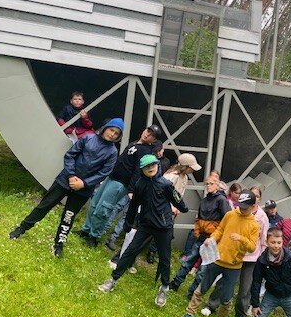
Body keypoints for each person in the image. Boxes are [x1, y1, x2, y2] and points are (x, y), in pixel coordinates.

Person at [8, 118, 124, 257]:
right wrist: (71, 175)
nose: (112, 134)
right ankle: (21, 228)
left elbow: (104, 173)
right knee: (44, 205)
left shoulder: (112, 152)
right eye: (111, 130)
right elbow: (70, 155)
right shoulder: (88, 138)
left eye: (116, 133)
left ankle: (59, 244)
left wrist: (84, 183)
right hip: (64, 180)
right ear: (106, 128)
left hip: (83, 190)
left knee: (69, 216)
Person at [97, 154, 189, 307]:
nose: (150, 168)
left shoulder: (165, 184)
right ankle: (112, 280)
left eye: (153, 165)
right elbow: (133, 206)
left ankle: (164, 288)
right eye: (147, 167)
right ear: (142, 170)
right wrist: (128, 223)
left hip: (164, 227)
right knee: (130, 251)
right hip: (145, 225)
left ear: (157, 165)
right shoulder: (140, 184)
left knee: (165, 259)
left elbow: (179, 202)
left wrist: (180, 206)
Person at [178, 190, 259, 317]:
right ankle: (188, 315)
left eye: (245, 207)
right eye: (240, 206)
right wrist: (212, 238)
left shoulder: (254, 225)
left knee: (226, 299)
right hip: (217, 260)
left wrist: (241, 239)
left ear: (253, 206)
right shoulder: (230, 215)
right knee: (202, 288)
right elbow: (220, 230)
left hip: (234, 266)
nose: (242, 209)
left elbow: (252, 247)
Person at [78, 125, 161, 246]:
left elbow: (138, 171)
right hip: (111, 177)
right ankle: (86, 230)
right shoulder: (135, 143)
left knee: (103, 209)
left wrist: (131, 189)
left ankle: (94, 236)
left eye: (152, 135)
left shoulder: (146, 151)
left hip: (120, 183)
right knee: (95, 203)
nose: (148, 134)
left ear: (154, 140)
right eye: (148, 131)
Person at [169, 172, 230, 291]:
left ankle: (193, 291)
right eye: (207, 184)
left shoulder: (222, 200)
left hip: (212, 240)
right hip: (201, 236)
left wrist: (215, 237)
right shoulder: (204, 200)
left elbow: (226, 220)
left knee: (203, 268)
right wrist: (197, 231)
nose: (208, 186)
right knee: (188, 261)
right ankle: (176, 283)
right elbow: (198, 218)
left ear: (217, 185)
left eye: (211, 184)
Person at [145, 153, 201, 264]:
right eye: (191, 167)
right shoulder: (171, 176)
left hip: (171, 211)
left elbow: (179, 195)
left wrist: (178, 207)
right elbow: (161, 194)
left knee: (165, 233)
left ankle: (153, 251)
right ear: (185, 166)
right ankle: (148, 251)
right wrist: (171, 207)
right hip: (161, 209)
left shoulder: (184, 178)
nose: (193, 170)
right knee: (154, 232)